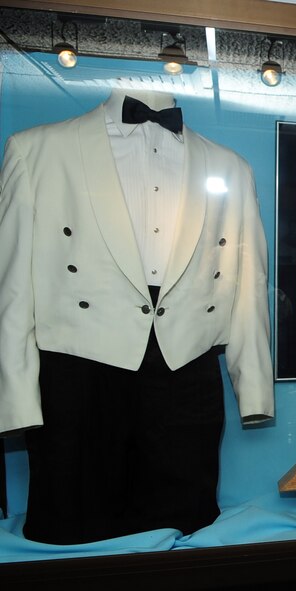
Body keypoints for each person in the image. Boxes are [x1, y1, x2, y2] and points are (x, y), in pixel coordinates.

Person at [0, 90, 273, 544]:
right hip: (76, 370)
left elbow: (249, 285)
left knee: (181, 535)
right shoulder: (36, 150)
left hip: (187, 368)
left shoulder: (230, 167)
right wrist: (14, 401)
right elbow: (10, 288)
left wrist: (255, 391)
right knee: (75, 533)